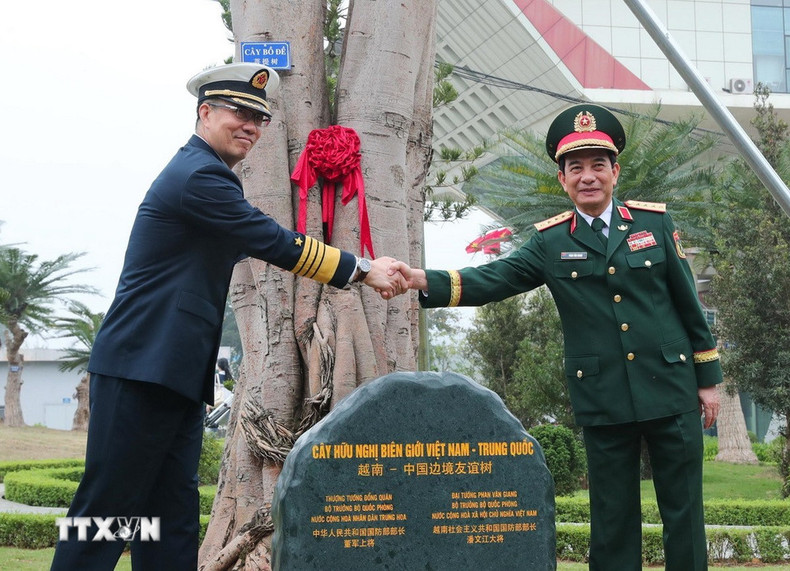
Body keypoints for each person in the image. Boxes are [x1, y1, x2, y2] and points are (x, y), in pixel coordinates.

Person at [51, 63, 404, 571]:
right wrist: (361, 269)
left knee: (170, 515)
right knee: (106, 508)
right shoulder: (200, 177)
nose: (251, 126)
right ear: (204, 111)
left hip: (172, 372)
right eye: (238, 112)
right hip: (140, 367)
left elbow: (250, 244)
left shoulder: (208, 178)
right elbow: (273, 241)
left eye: (259, 118)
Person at [390, 104, 722, 570]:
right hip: (604, 398)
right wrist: (422, 280)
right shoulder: (550, 242)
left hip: (672, 388)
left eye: (597, 166)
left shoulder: (653, 225)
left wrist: (707, 379)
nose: (588, 177)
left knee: (684, 514)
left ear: (615, 171)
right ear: (563, 179)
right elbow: (495, 280)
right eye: (576, 168)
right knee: (611, 517)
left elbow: (690, 305)